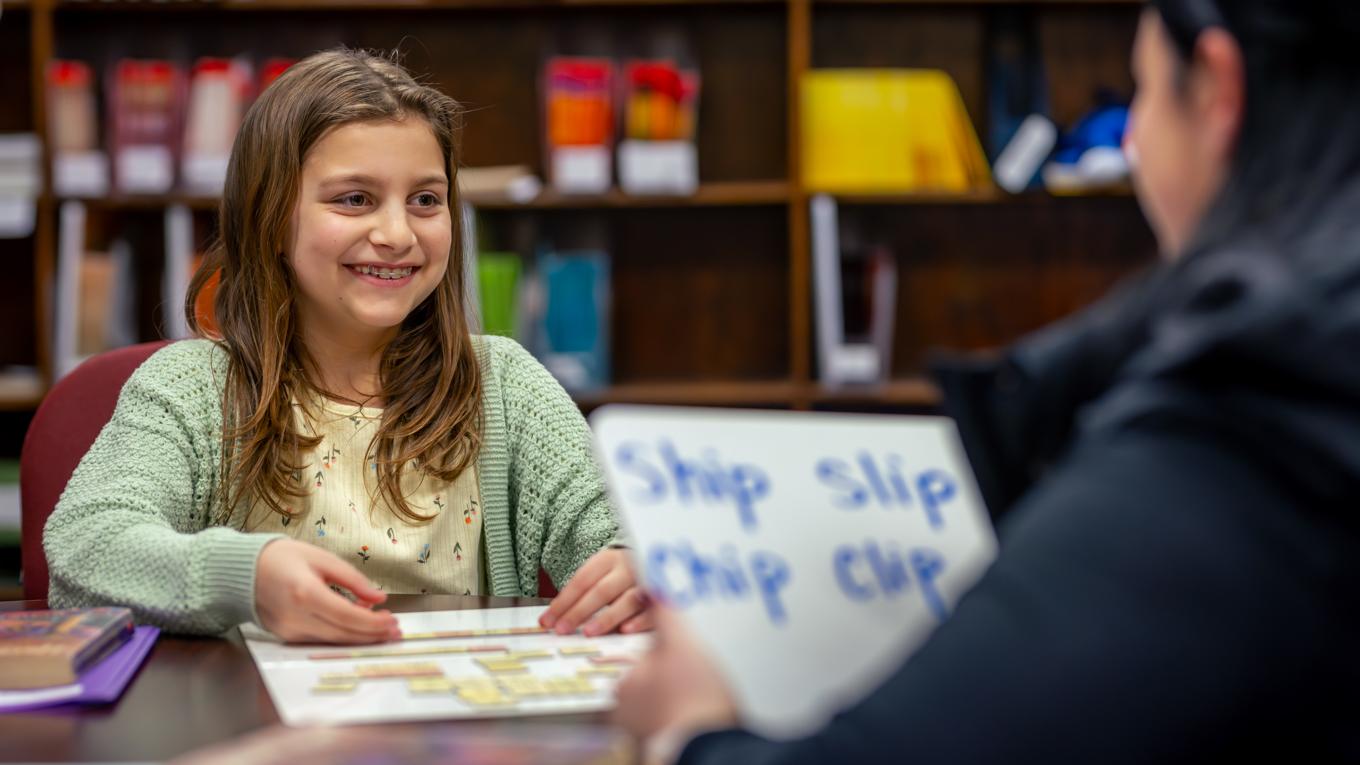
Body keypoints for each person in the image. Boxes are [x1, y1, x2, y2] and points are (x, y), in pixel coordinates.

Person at [616, 0, 1360, 760]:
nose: (1132, 140)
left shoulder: (1259, 406)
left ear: (1214, 89)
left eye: (1142, 89)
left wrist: (690, 728)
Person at [43, 49, 650, 644]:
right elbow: (85, 549)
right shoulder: (191, 387)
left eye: (425, 200)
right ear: (270, 217)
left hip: (451, 729)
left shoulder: (505, 385)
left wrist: (636, 565)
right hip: (258, 726)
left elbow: (617, 534)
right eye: (354, 199)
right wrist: (244, 577)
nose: (396, 233)